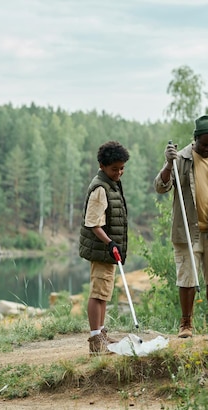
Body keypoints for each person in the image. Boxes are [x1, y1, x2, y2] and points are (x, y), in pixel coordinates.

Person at [154, 114, 208, 338]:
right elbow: (161, 187)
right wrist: (168, 164)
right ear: (195, 139)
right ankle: (186, 324)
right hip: (187, 232)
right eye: (205, 144)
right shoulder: (180, 159)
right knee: (187, 279)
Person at [79, 140, 130, 354]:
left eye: (122, 168)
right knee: (98, 294)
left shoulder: (111, 183)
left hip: (108, 249)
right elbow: (93, 223)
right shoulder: (100, 188)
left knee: (104, 293)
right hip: (102, 249)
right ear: (102, 166)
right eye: (114, 169)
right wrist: (110, 243)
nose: (119, 172)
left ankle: (101, 333)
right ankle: (95, 341)